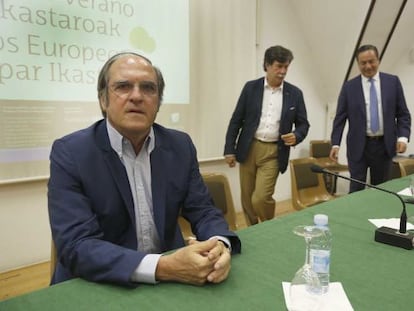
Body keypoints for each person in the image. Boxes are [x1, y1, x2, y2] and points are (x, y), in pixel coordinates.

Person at [48, 52, 241, 287]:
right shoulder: (71, 152)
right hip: (98, 282)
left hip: (173, 280)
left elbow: (203, 210)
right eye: (123, 86)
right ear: (103, 99)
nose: (137, 96)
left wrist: (218, 244)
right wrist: (164, 267)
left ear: (158, 102)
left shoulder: (180, 146)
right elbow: (77, 245)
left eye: (148, 88)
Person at [224, 45, 310, 225]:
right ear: (267, 65)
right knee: (247, 199)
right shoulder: (251, 88)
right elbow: (236, 120)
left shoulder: (295, 93)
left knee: (260, 197)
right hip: (248, 148)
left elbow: (303, 124)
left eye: (286, 67)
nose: (283, 71)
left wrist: (297, 135)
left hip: (274, 151)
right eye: (279, 66)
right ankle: (252, 232)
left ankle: (269, 223)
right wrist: (229, 149)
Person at [330, 44, 411, 193]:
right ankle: (353, 216)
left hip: (384, 146)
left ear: (378, 60)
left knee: (380, 190)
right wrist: (335, 143)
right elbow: (340, 118)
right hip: (358, 146)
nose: (368, 66)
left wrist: (403, 138)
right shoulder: (349, 87)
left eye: (371, 61)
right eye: (363, 63)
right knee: (356, 189)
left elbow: (403, 114)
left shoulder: (392, 82)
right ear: (358, 64)